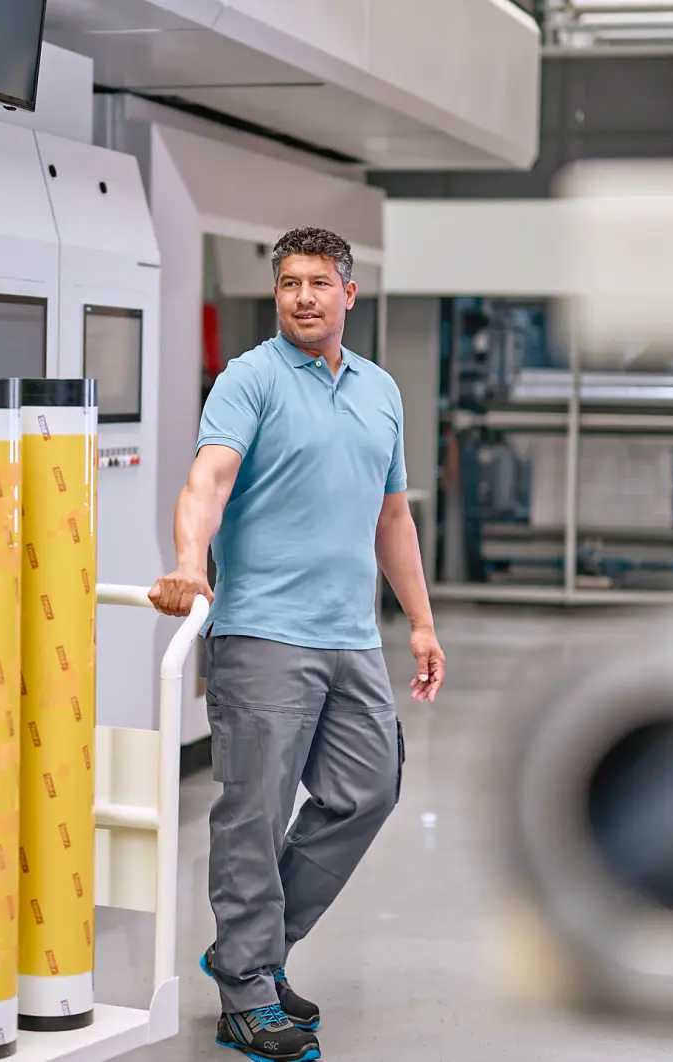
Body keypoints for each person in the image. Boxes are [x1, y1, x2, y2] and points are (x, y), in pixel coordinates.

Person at [149, 227, 446, 1062]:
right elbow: (207, 478)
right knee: (253, 812)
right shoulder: (249, 380)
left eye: (319, 282)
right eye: (289, 283)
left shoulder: (380, 391)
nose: (304, 297)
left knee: (368, 790)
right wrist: (187, 561)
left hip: (351, 636)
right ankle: (246, 991)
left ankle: (255, 946)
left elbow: (392, 516)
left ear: (351, 293)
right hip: (263, 634)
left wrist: (419, 621)